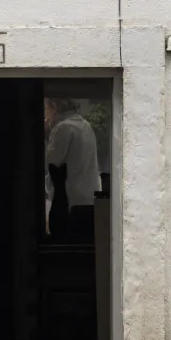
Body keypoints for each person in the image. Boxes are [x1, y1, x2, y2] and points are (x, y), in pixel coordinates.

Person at [45, 99, 101, 242]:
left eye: (46, 109)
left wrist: (46, 132)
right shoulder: (86, 126)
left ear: (54, 108)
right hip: (89, 199)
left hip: (69, 203)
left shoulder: (62, 128)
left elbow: (51, 161)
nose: (46, 114)